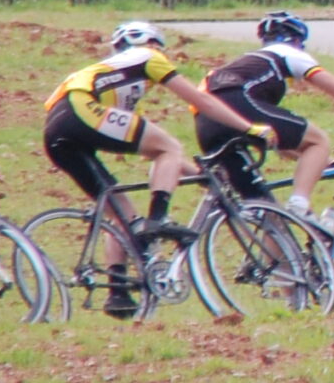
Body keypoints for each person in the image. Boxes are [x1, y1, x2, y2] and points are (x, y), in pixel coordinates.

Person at [43, 21, 270, 317]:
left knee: (119, 210)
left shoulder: (114, 75)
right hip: (81, 110)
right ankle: (158, 219)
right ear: (152, 43)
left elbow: (156, 154)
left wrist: (201, 176)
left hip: (55, 128)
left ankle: (118, 292)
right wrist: (249, 127)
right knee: (170, 146)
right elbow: (200, 100)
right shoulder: (149, 57)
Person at [194, 13, 334, 217]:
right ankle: (299, 205)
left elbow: (282, 146)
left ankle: (279, 264)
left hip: (206, 122)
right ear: (297, 41)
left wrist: (328, 163)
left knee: (269, 213)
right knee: (318, 140)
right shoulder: (288, 54)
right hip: (236, 103)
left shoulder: (247, 62)